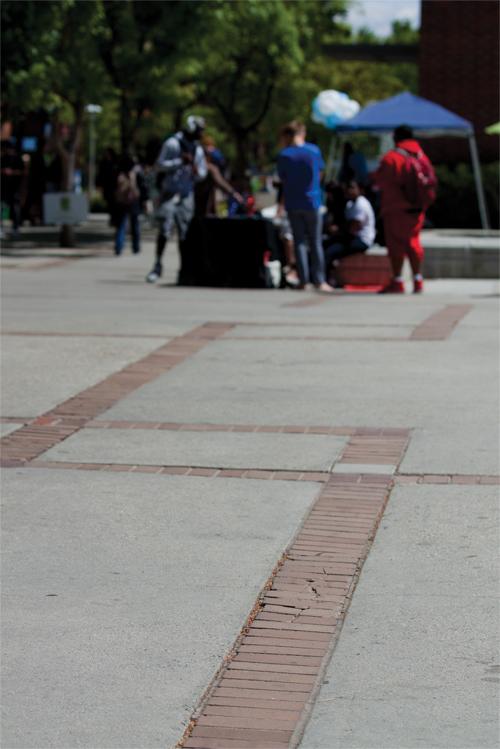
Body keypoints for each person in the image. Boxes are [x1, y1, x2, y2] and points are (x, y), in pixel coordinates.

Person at [373, 124, 436, 293]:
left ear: (395, 138)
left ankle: (398, 281)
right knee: (414, 242)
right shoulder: (422, 156)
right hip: (417, 208)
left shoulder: (392, 157)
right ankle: (417, 279)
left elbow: (379, 181)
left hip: (395, 207)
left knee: (396, 245)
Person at [146, 115, 208, 283]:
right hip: (169, 193)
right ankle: (157, 265)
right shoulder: (172, 144)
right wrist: (179, 161)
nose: (201, 134)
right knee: (165, 229)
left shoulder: (197, 149)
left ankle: (184, 270)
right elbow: (159, 165)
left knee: (184, 233)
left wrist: (196, 171)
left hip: (186, 195)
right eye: (199, 130)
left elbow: (203, 173)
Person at [277, 120, 333, 292]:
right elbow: (321, 173)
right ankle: (320, 280)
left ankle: (303, 280)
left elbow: (283, 180)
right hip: (313, 201)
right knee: (315, 242)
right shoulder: (313, 151)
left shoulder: (285, 155)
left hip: (294, 202)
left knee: (299, 241)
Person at [324, 179, 376, 277]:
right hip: (351, 237)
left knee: (332, 251)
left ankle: (328, 278)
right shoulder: (350, 204)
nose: (349, 191)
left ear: (359, 189)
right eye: (347, 188)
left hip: (362, 240)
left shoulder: (361, 203)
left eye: (352, 188)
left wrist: (337, 231)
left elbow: (355, 227)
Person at [113, 154, 146, 256]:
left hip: (121, 202)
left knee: (121, 226)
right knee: (135, 226)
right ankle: (135, 248)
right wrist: (144, 200)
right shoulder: (136, 174)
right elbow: (143, 188)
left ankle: (119, 247)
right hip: (133, 202)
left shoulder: (118, 174)